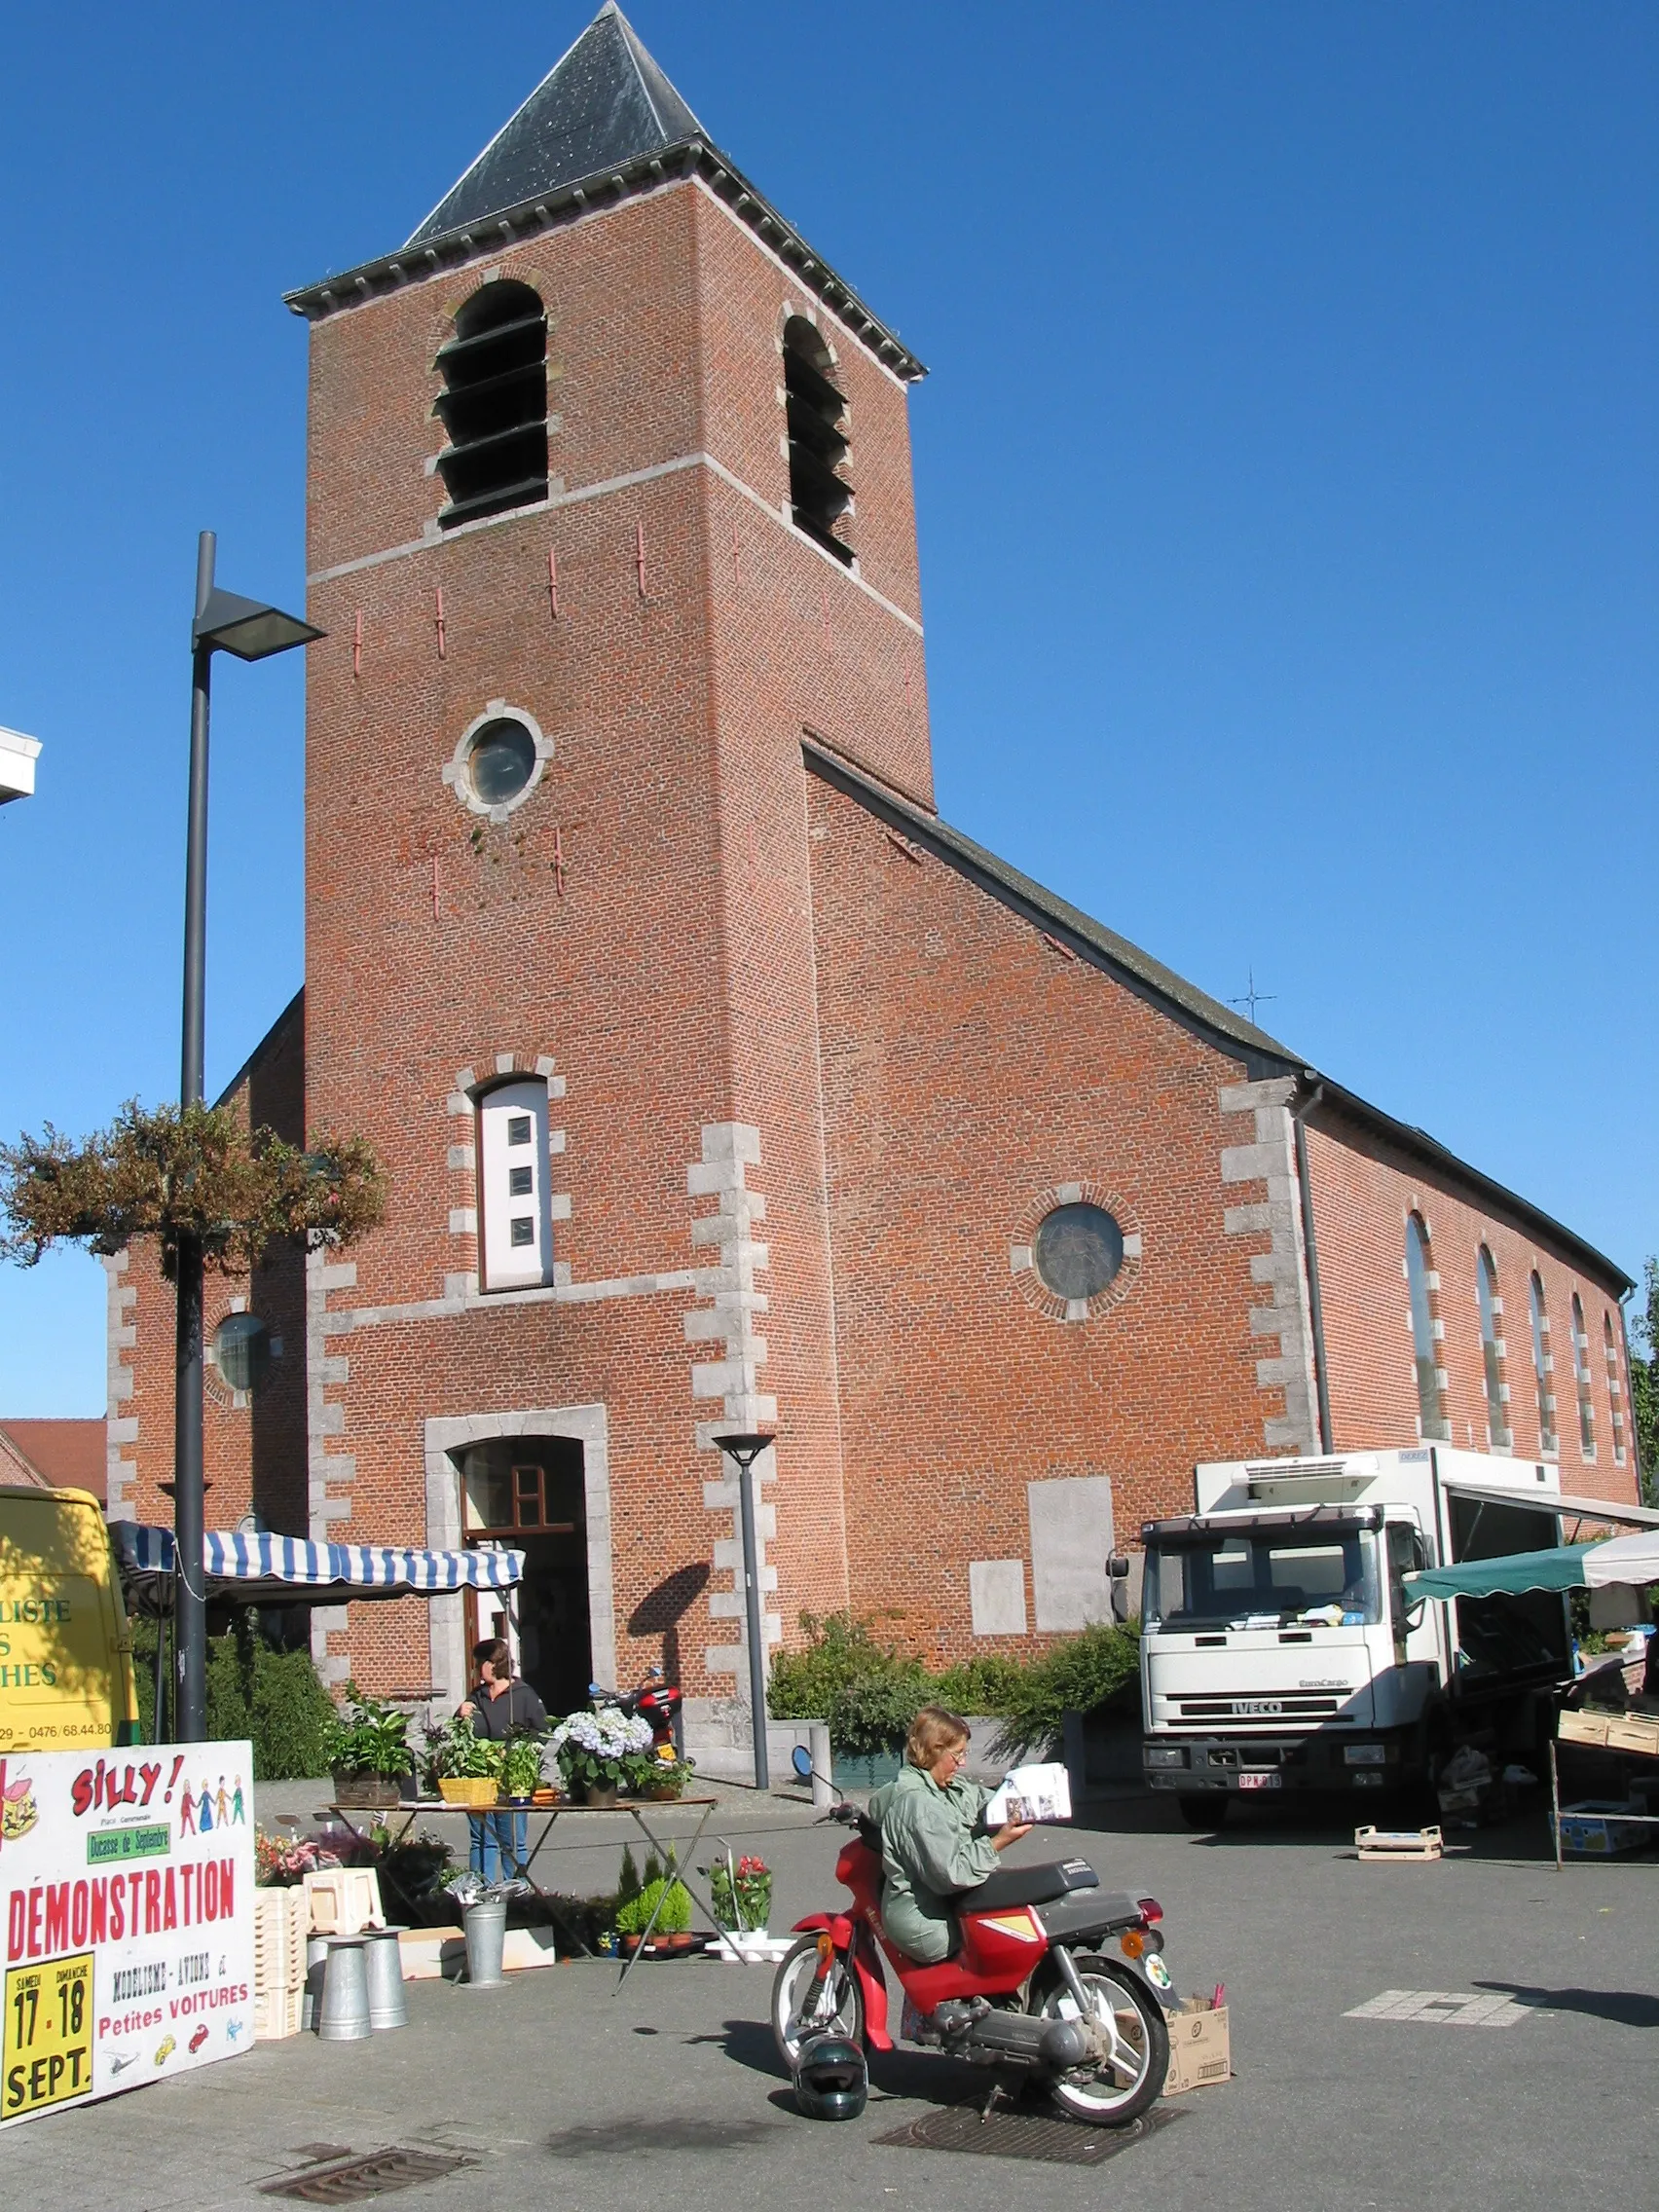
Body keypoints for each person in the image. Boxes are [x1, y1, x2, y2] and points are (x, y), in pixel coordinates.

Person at [868, 1706, 1033, 1964]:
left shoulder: (946, 1785)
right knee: (1000, 1937)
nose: (963, 1762)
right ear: (934, 1750)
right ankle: (956, 2001)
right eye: (957, 1755)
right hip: (923, 1919)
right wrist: (998, 1841)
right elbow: (951, 1874)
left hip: (947, 1900)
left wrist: (1023, 1801)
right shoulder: (918, 1805)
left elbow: (982, 1801)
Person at [458, 1638, 547, 1883]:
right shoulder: (477, 1696)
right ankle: (480, 1888)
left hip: (512, 1777)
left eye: (479, 1663)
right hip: (480, 1775)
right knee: (482, 1838)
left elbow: (541, 1731)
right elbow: (463, 1732)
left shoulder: (524, 1695)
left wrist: (518, 1752)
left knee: (512, 1840)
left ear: (493, 1663)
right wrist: (460, 1714)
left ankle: (516, 1891)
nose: (476, 1669)